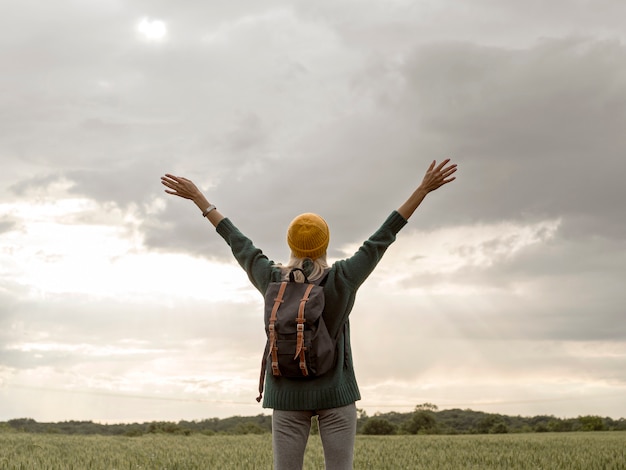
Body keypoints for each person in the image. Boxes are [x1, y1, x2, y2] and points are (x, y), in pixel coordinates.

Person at [160, 159, 457, 470]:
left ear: (290, 243)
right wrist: (422, 190)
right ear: (325, 243)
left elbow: (240, 244)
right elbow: (380, 240)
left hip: (286, 394)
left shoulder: (272, 278)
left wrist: (200, 201)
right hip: (336, 393)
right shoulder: (343, 277)